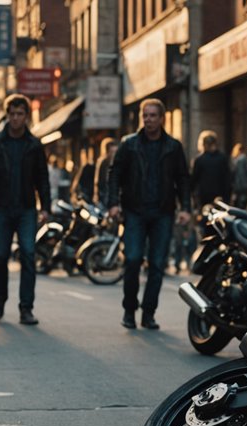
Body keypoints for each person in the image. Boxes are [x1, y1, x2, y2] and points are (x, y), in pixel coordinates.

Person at [108, 98, 191, 330]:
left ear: (162, 118)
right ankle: (129, 309)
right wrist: (113, 203)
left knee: (156, 264)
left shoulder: (173, 147)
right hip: (134, 211)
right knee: (133, 259)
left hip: (163, 212)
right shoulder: (129, 144)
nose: (148, 119)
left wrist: (185, 208)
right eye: (145, 115)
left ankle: (148, 313)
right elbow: (115, 174)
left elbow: (183, 179)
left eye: (153, 115)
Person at [0, 93, 51, 325]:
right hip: (1, 210)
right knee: (1, 256)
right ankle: (0, 299)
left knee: (28, 255)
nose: (15, 118)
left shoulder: (34, 145)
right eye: (12, 114)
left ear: (26, 116)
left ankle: (26, 308)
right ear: (7, 115)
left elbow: (42, 177)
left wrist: (46, 207)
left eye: (20, 114)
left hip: (26, 209)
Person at [190, 130, 230, 208]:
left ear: (203, 144)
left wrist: (193, 198)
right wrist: (227, 197)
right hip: (220, 197)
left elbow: (193, 181)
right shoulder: (223, 158)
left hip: (204, 197)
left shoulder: (199, 160)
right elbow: (227, 180)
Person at [93, 137, 118, 206]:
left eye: (115, 152)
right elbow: (99, 182)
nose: (114, 154)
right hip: (104, 198)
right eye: (112, 152)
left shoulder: (119, 162)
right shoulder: (103, 162)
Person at [230, 143, 247, 209]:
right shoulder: (244, 158)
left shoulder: (235, 160)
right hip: (244, 182)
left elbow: (233, 171)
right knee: (243, 200)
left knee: (238, 199)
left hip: (237, 183)